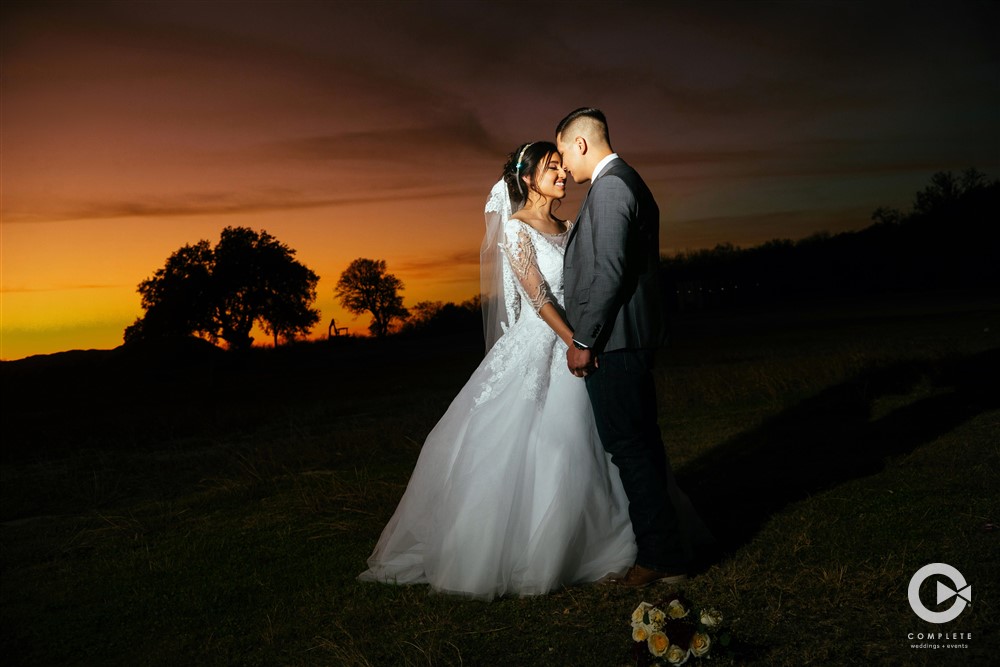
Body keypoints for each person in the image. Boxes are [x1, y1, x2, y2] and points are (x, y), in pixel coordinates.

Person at [358, 141, 636, 600]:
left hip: (579, 340)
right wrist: (574, 342)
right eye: (553, 169)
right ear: (528, 178)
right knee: (541, 443)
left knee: (591, 441)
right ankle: (527, 549)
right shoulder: (516, 229)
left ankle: (599, 535)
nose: (563, 176)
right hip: (544, 342)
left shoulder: (569, 226)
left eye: (564, 169)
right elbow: (539, 296)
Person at [556, 107, 709, 587]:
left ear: (580, 143)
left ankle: (661, 559)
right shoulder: (622, 182)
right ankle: (666, 550)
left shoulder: (612, 186)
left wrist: (583, 341)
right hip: (626, 339)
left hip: (617, 342)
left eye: (561, 151)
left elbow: (610, 273)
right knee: (640, 445)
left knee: (630, 449)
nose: (562, 164)